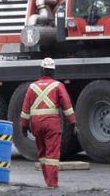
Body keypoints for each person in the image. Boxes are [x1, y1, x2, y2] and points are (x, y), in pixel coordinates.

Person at [19, 57, 77, 189]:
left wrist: (23, 126)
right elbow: (67, 106)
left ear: (41, 70)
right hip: (52, 125)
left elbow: (25, 109)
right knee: (52, 155)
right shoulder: (58, 86)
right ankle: (52, 184)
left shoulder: (32, 87)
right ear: (53, 71)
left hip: (36, 125)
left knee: (43, 153)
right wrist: (73, 122)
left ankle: (47, 181)